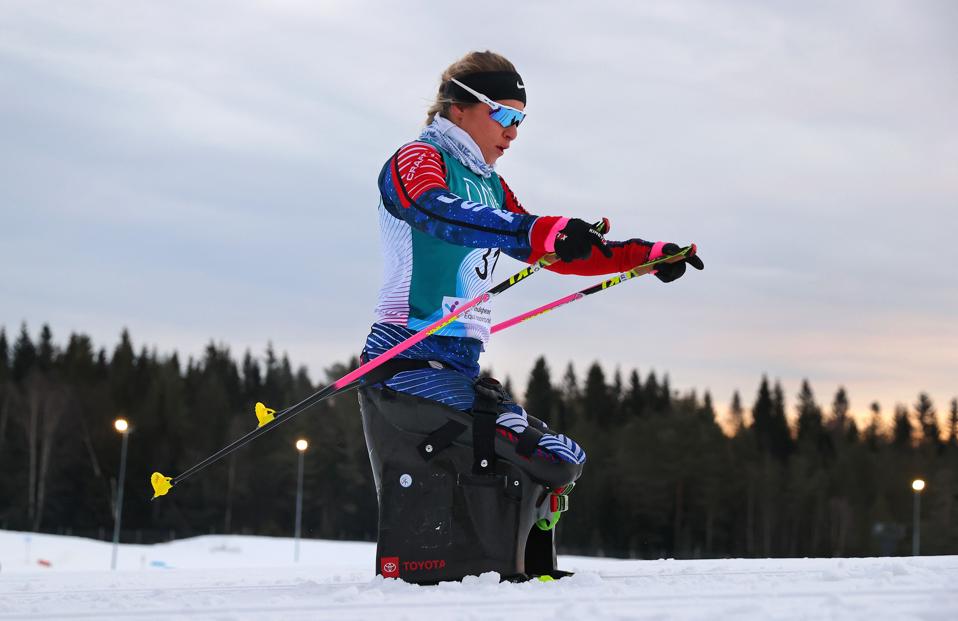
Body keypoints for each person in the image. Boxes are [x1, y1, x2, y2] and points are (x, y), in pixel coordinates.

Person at [358, 50, 703, 580]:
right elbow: (433, 210)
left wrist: (644, 256)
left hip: (457, 369)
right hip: (403, 363)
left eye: (521, 119)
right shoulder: (418, 158)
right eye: (502, 114)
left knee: (563, 458)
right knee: (544, 457)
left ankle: (513, 569)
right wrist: (537, 230)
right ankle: (466, 572)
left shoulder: (491, 186)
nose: (513, 131)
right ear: (458, 107)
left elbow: (545, 247)